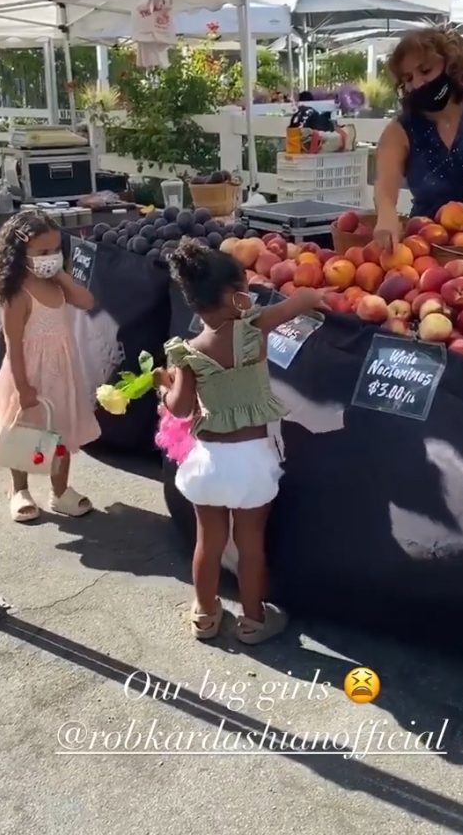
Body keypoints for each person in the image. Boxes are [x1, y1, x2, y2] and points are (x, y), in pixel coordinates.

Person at [157, 240, 328, 643]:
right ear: (237, 297)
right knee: (251, 547)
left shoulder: (187, 353)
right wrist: (315, 296)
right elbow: (300, 300)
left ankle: (205, 615)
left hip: (208, 462)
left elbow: (180, 409)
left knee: (208, 543)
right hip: (251, 462)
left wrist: (161, 388)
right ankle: (253, 621)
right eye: (246, 290)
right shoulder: (254, 329)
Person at [0, 210, 100, 523]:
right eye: (42, 253)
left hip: (61, 374)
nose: (50, 257)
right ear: (20, 255)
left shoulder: (57, 287)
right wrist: (22, 387)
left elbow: (86, 301)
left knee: (59, 433)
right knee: (23, 431)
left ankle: (60, 491)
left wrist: (60, 274)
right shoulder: (17, 294)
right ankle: (18, 488)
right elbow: (13, 344)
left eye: (55, 250)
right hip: (28, 374)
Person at [373, 28, 463, 251]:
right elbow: (385, 186)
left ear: (451, 64)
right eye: (408, 78)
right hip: (432, 255)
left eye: (425, 70)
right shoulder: (399, 132)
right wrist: (386, 215)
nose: (419, 83)